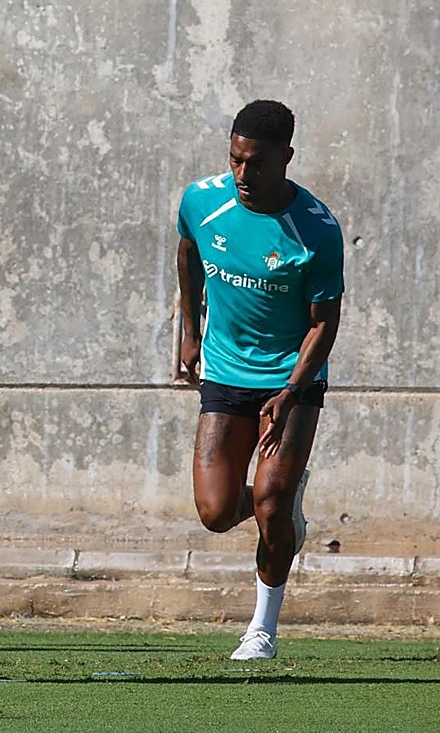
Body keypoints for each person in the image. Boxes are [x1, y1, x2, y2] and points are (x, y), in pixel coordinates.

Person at [176, 99, 344, 660]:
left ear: (286, 158)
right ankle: (285, 504)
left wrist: (291, 392)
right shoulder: (203, 200)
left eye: (256, 163)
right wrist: (189, 329)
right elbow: (187, 251)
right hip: (226, 373)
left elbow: (325, 324)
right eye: (235, 161)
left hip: (290, 379)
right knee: (217, 512)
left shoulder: (316, 232)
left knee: (269, 509)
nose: (243, 175)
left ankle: (261, 631)